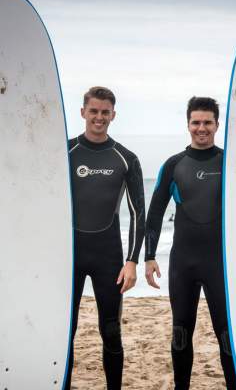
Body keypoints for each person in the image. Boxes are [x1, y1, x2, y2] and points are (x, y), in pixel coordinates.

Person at [145, 96, 236, 389]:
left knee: (227, 336)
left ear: (217, 124)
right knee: (181, 332)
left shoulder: (231, 163)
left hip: (219, 264)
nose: (202, 128)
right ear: (188, 124)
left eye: (207, 122)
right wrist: (148, 256)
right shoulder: (174, 165)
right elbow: (155, 211)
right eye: (196, 122)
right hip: (183, 263)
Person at [66, 86, 145, 390]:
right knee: (65, 331)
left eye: (105, 112)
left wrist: (132, 262)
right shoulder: (64, 152)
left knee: (110, 331)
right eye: (94, 111)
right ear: (83, 112)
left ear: (113, 115)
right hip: (69, 256)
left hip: (109, 257)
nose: (99, 118)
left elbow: (138, 213)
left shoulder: (126, 158)